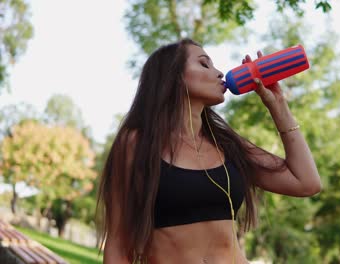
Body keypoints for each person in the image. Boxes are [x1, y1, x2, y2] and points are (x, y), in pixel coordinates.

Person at [96, 38, 321, 264]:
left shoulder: (229, 145)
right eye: (205, 64)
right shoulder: (138, 142)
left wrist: (278, 105)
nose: (220, 73)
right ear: (173, 76)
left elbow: (306, 182)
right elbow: (117, 242)